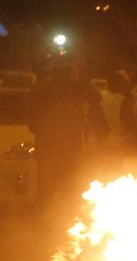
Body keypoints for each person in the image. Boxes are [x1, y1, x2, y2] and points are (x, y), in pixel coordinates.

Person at [27, 60, 101, 205]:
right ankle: (52, 213)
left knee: (55, 182)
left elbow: (96, 97)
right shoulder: (57, 88)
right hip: (55, 143)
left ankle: (55, 212)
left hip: (59, 143)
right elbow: (96, 97)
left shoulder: (66, 88)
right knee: (58, 182)